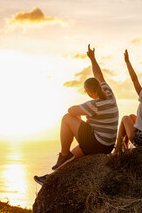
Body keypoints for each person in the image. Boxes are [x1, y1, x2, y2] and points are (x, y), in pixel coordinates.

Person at [34, 44, 119, 185]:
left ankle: (63, 153)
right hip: (108, 143)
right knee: (75, 156)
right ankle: (50, 178)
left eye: (86, 91)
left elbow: (70, 111)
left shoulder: (94, 105)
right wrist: (92, 58)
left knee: (67, 119)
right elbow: (99, 75)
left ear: (90, 92)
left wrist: (80, 111)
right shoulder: (108, 92)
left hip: (98, 143)